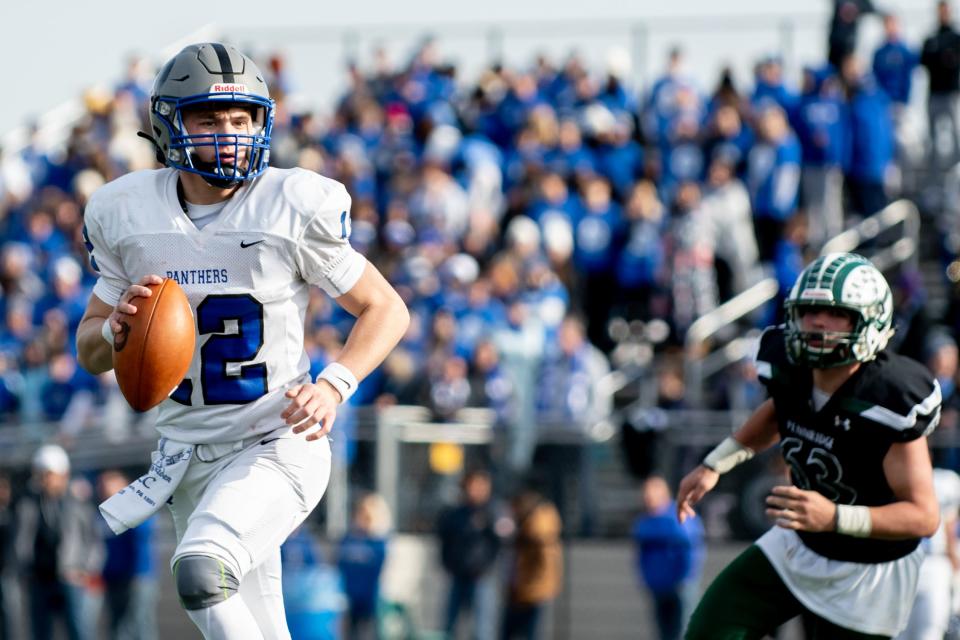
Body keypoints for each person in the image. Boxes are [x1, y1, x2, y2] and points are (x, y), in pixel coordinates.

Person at [74, 42, 409, 640]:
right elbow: (89, 348)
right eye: (208, 117)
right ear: (168, 124)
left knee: (202, 573)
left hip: (275, 442)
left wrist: (335, 385)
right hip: (187, 454)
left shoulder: (290, 204)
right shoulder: (127, 211)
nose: (229, 132)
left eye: (242, 117)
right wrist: (114, 330)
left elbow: (385, 308)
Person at [677, 252, 942, 639]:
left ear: (870, 321)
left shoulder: (887, 398)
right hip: (800, 544)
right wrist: (715, 464)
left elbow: (923, 516)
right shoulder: (790, 368)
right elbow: (778, 411)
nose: (817, 322)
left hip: (868, 571)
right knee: (710, 630)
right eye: (809, 311)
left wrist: (834, 516)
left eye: (835, 313)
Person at [12, 445, 104, 640]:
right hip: (39, 579)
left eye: (49, 474)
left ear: (63, 474)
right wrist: (24, 570)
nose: (44, 480)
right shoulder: (28, 504)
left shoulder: (78, 504)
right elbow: (21, 541)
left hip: (70, 578)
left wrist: (86, 570)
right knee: (40, 632)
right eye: (41, 474)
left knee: (79, 631)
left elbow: (94, 541)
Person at [437, 470, 511, 640]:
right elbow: (445, 537)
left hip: (482, 578)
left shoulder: (495, 510)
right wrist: (447, 564)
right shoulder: (456, 513)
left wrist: (489, 522)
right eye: (471, 485)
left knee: (482, 630)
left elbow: (506, 536)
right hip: (458, 576)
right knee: (448, 628)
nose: (474, 490)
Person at [632, 476, 705, 640]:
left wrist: (686, 578)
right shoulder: (644, 521)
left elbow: (691, 551)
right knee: (664, 632)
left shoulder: (680, 515)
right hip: (658, 586)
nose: (647, 498)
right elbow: (641, 556)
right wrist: (645, 579)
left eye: (651, 493)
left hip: (680, 586)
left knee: (684, 631)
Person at [97, 470, 158, 640]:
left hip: (137, 577)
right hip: (113, 577)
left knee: (140, 625)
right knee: (118, 627)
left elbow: (143, 536)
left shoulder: (138, 508)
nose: (103, 491)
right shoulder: (102, 512)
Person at [501, 490, 563, 640]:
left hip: (532, 591)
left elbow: (545, 562)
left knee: (530, 633)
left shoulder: (538, 530)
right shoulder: (526, 530)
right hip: (520, 589)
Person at [337, 493, 391, 640]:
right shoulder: (349, 539)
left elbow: (378, 569)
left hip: (370, 598)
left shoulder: (378, 542)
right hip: (349, 596)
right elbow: (340, 564)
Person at [922, 1, 960, 171]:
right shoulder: (932, 38)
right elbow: (925, 61)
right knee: (933, 137)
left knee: (955, 133)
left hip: (951, 92)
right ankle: (935, 172)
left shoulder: (955, 38)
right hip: (935, 92)